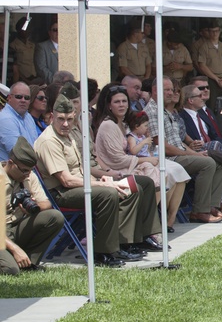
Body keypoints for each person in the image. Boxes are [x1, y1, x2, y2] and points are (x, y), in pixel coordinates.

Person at [34, 94, 150, 266]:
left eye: (69, 119)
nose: (66, 124)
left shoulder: (68, 135)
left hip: (78, 186)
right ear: (52, 117)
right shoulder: (49, 140)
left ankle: (125, 244)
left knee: (131, 189)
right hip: (61, 193)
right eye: (61, 119)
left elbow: (80, 170)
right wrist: (101, 183)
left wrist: (99, 177)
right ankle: (103, 252)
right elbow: (66, 180)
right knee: (108, 194)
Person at [90, 85, 172, 253]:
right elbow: (116, 159)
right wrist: (143, 160)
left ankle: (147, 234)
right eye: (117, 102)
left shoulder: (120, 124)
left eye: (124, 101)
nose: (121, 105)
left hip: (122, 170)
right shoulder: (108, 125)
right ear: (109, 105)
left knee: (147, 183)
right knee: (138, 186)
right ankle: (126, 240)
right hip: (112, 173)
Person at [144, 78, 222, 224]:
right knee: (207, 163)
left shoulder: (165, 111)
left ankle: (212, 206)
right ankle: (199, 212)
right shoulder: (152, 112)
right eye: (167, 90)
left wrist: (195, 153)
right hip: (168, 158)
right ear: (155, 90)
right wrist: (193, 154)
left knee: (220, 162)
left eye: (172, 90)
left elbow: (179, 141)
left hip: (179, 153)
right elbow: (162, 146)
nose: (171, 93)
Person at [1, 137, 66, 275]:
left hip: (16, 227)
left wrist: (35, 205)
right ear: (11, 163)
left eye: (30, 170)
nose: (27, 174)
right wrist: (14, 249)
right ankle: (14, 258)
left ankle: (29, 262)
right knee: (10, 271)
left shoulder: (29, 176)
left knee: (54, 217)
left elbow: (47, 203)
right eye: (24, 170)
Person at [192, 20, 222, 110]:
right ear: (209, 32)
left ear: (220, 31)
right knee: (212, 104)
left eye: (217, 31)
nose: (215, 33)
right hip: (212, 80)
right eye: (212, 31)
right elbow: (202, 65)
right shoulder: (204, 47)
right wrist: (216, 78)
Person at [0, 81, 41, 160]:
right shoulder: (6, 119)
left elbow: (36, 146)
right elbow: (18, 155)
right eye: (19, 96)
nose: (23, 100)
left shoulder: (28, 116)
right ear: (9, 98)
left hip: (30, 167)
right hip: (14, 170)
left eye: (27, 98)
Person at [161, 24, 194, 88]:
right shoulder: (160, 48)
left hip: (180, 80)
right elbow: (153, 69)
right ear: (169, 42)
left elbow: (190, 67)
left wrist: (180, 66)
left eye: (179, 44)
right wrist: (167, 67)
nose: (178, 46)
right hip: (165, 81)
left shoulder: (183, 49)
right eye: (175, 44)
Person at [10, 16, 37, 84]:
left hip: (34, 77)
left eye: (29, 28)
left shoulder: (32, 44)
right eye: (25, 28)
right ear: (19, 29)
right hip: (22, 79)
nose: (27, 31)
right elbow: (15, 66)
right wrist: (24, 79)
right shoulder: (13, 45)